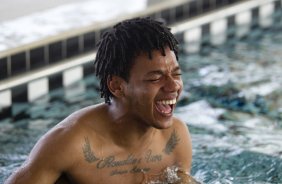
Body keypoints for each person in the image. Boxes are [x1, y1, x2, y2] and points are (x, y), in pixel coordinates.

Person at [5, 17, 195, 184]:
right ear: (117, 86)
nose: (173, 86)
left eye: (176, 74)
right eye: (155, 78)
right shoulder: (69, 143)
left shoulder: (175, 138)